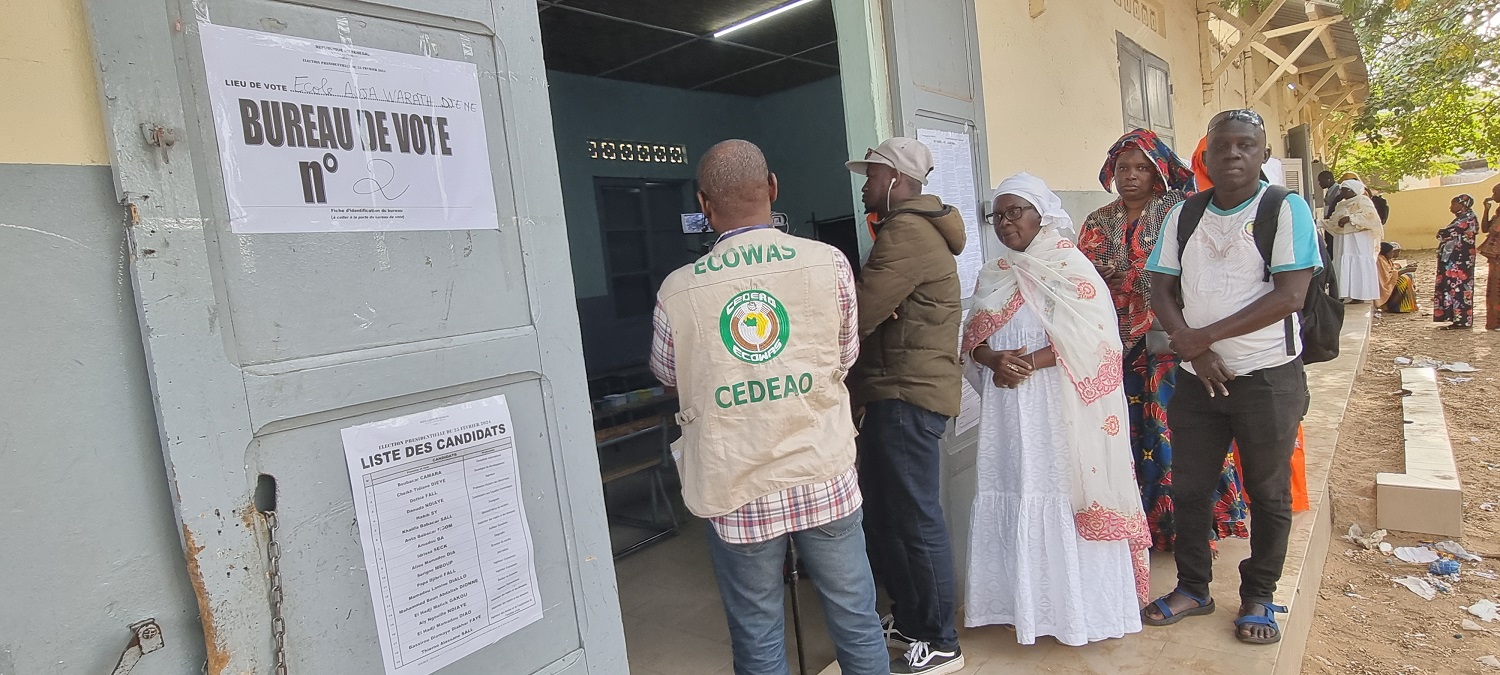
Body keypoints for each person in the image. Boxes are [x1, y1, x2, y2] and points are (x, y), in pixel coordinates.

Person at [650, 140, 888, 675]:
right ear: (774, 187)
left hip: (736, 486)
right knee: (856, 618)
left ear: (704, 203)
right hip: (821, 470)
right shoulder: (827, 264)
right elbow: (844, 354)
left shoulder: (677, 291)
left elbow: (668, 373)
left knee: (758, 634)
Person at [1142, 109, 1320, 645]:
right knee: (1190, 487)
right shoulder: (1185, 214)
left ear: (1264, 155)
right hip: (1199, 380)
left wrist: (1203, 337)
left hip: (1267, 377)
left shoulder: (1285, 210)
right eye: (1223, 147)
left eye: (1247, 146)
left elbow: (1290, 296)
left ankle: (1259, 594)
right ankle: (1194, 587)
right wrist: (1192, 348)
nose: (1234, 155)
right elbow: (1160, 287)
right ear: (1206, 157)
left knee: (1267, 492)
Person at [960, 172, 1150, 646]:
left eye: (1014, 212)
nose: (1005, 223)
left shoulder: (1072, 269)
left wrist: (1027, 362)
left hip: (1059, 411)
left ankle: (1078, 615)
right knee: (1016, 488)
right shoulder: (995, 272)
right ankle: (1017, 605)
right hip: (1008, 410)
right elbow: (973, 337)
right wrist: (991, 359)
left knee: (1058, 496)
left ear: (1040, 215)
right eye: (998, 215)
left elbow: (1100, 341)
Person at [1078, 129, 1248, 551]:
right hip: (1114, 344)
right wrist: (1102, 276)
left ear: (1158, 173)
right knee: (1128, 433)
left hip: (1172, 342)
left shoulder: (1181, 212)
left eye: (1141, 168)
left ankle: (1189, 530)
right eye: (1122, 169)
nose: (1130, 176)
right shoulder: (1099, 220)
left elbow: (1198, 269)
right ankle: (1141, 528)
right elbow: (1080, 270)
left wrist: (1134, 277)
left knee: (1177, 434)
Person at [845, 137, 967, 675]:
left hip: (905, 394)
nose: (865, 186)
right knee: (891, 515)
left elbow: (859, 315)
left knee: (915, 518)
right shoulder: (910, 230)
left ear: (895, 180)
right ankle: (914, 619)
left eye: (871, 176)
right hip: (894, 391)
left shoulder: (906, 233)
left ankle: (942, 640)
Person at [1325, 179, 1383, 304]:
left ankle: (1359, 295)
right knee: (1342, 263)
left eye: (1345, 190)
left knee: (1357, 263)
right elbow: (1334, 221)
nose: (1342, 192)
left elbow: (1371, 217)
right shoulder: (1341, 204)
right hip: (1342, 239)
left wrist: (1350, 218)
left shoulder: (1364, 201)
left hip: (1358, 240)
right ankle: (1341, 293)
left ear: (1353, 190)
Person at [1434, 194, 1480, 330]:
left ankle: (1462, 321)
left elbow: (1445, 233)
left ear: (1463, 204)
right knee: (1453, 288)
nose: (1451, 207)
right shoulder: (1461, 218)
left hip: (1460, 262)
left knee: (1460, 289)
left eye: (1454, 204)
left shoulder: (1468, 219)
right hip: (1454, 261)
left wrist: (1442, 234)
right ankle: (1456, 319)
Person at [1377, 242, 1418, 314]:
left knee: (1408, 276)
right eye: (1390, 253)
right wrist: (1406, 270)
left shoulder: (1386, 259)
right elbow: (1387, 276)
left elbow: (1392, 269)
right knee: (1403, 280)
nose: (1392, 255)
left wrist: (1405, 268)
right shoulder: (1380, 260)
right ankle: (1390, 306)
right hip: (1384, 285)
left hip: (1388, 281)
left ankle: (1405, 305)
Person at [1480, 184, 1500, 331]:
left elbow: (1493, 230)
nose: (1493, 196)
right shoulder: (1498, 213)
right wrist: (1486, 210)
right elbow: (1485, 228)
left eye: (1495, 193)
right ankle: (1494, 322)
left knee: (1497, 288)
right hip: (1494, 256)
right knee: (1493, 287)